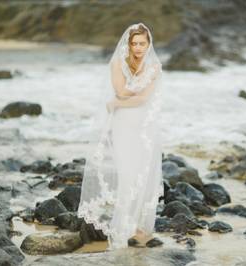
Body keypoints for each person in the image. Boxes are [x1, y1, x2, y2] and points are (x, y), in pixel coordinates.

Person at [77, 22, 164, 250]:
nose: (138, 48)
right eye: (134, 43)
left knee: (145, 177)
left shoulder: (154, 66)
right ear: (129, 43)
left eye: (142, 43)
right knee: (127, 175)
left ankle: (141, 230)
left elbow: (143, 99)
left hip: (145, 127)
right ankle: (123, 227)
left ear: (149, 43)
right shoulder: (117, 63)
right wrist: (123, 96)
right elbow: (120, 90)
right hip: (123, 125)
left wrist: (118, 102)